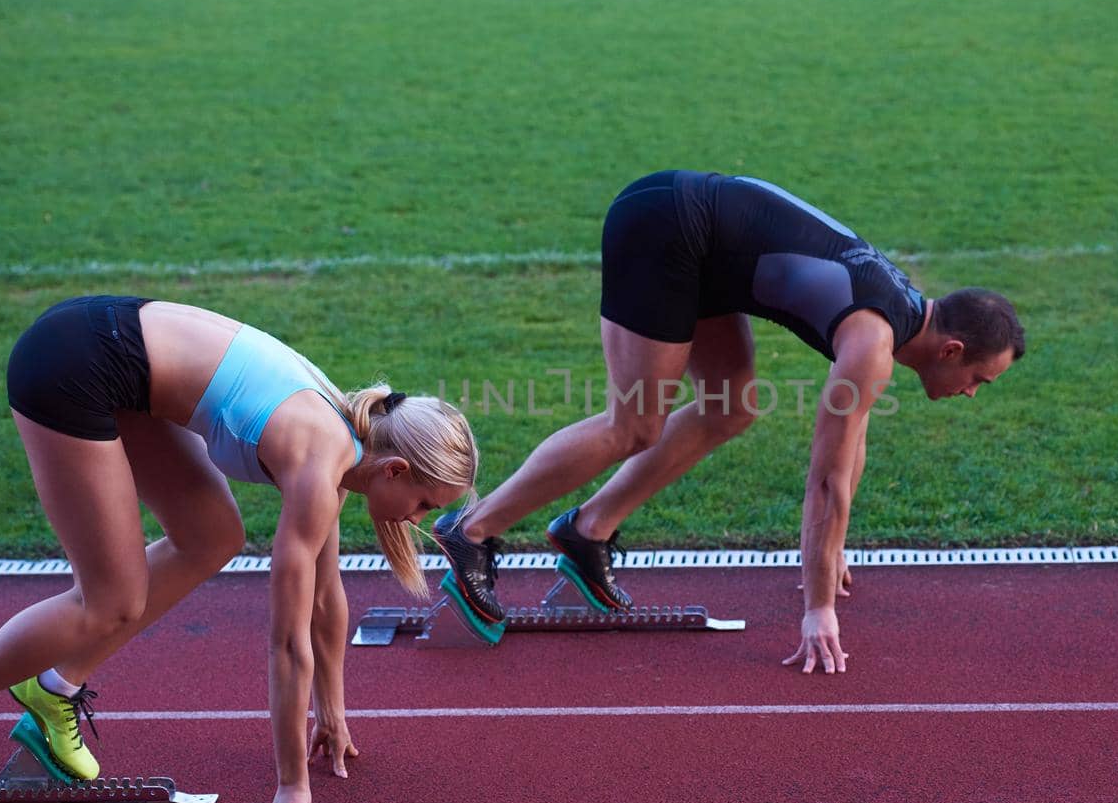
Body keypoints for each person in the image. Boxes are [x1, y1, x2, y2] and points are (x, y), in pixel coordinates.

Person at [0, 296, 477, 803]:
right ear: (395, 468)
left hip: (118, 361)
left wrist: (332, 712)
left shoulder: (348, 438)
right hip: (73, 365)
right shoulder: (323, 463)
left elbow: (325, 597)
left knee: (212, 538)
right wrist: (290, 785)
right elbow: (287, 642)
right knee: (110, 602)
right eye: (423, 503)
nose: (417, 520)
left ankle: (53, 686)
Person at [432, 171, 1024, 672]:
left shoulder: (898, 315)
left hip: (706, 246)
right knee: (634, 424)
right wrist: (819, 606)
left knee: (729, 408)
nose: (972, 393)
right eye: (979, 379)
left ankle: (587, 531)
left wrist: (831, 546)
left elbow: (853, 444)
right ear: (951, 350)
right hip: (669, 226)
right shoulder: (872, 342)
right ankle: (473, 530)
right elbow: (826, 480)